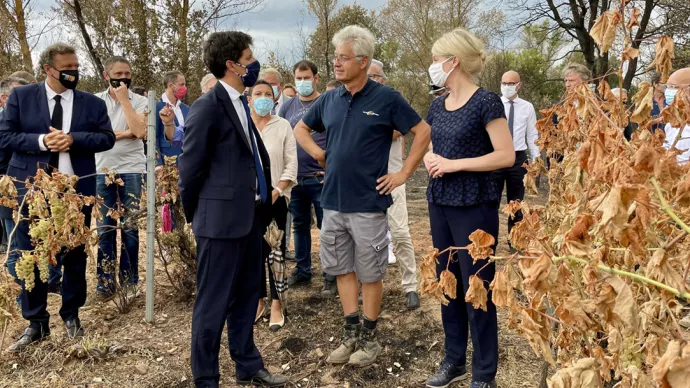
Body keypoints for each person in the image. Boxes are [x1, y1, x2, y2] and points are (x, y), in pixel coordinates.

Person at [293, 25, 431, 367]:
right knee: (342, 270)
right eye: (335, 57)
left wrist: (403, 174)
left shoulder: (387, 98)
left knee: (370, 273)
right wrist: (319, 154)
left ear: (363, 61)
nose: (337, 64)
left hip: (369, 205)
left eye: (343, 58)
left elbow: (423, 130)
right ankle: (350, 332)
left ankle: (370, 338)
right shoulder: (329, 99)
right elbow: (301, 128)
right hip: (333, 202)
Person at [178, 31, 288, 387]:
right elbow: (190, 167)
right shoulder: (208, 106)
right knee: (212, 305)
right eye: (249, 59)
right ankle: (206, 378)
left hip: (251, 218)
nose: (254, 65)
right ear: (232, 65)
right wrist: (195, 215)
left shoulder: (242, 102)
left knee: (246, 297)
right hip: (219, 223)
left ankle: (248, 364)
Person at [0, 43, 116, 352]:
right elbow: (5, 136)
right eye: (67, 69)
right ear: (48, 70)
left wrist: (73, 140)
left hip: (74, 193)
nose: (73, 73)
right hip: (31, 190)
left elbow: (107, 137)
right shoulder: (22, 98)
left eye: (76, 68)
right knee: (31, 255)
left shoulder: (91, 103)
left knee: (74, 255)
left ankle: (71, 315)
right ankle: (36, 323)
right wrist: (41, 141)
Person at [423, 28, 514, 388]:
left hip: (474, 206)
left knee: (478, 288)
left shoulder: (486, 103)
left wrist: (454, 164)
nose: (433, 66)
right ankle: (454, 360)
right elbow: (432, 147)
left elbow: (505, 155)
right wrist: (432, 158)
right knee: (447, 283)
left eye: (435, 60)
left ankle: (484, 373)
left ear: (453, 61)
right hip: (439, 202)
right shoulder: (436, 104)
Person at [280, 60, 337, 296]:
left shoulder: (328, 102)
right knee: (300, 226)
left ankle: (331, 275)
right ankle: (303, 270)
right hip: (296, 179)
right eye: (298, 78)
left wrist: (330, 166)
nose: (302, 82)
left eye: (306, 78)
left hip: (321, 178)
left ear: (316, 78)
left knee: (328, 228)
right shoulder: (287, 107)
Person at [367, 59, 420, 310]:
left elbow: (403, 129)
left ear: (383, 79)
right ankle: (368, 287)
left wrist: (370, 130)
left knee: (399, 233)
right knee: (366, 239)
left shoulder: (391, 100)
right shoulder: (352, 102)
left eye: (375, 76)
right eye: (368, 76)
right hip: (364, 182)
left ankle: (411, 286)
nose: (371, 80)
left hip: (392, 178)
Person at [94, 56, 148, 298]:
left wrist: (125, 100)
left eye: (127, 73)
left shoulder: (141, 101)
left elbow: (140, 131)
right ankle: (105, 283)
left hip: (132, 168)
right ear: (107, 75)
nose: (123, 77)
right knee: (105, 228)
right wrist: (125, 133)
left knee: (130, 227)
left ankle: (129, 281)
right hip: (101, 168)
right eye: (118, 73)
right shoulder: (94, 102)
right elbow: (94, 135)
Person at [249, 79, 297, 331]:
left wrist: (277, 190)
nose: (263, 97)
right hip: (247, 201)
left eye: (268, 94)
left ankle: (277, 303)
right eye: (258, 93)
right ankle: (259, 300)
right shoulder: (242, 125)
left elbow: (291, 163)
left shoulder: (283, 126)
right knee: (254, 252)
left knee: (275, 252)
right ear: (249, 98)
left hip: (277, 198)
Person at [497, 70, 539, 249]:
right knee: (491, 199)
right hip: (496, 156)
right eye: (504, 83)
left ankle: (514, 241)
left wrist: (536, 159)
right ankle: (487, 239)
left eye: (511, 83)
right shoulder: (495, 103)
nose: (507, 87)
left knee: (516, 203)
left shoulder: (527, 107)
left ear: (519, 85)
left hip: (518, 157)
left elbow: (532, 135)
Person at [0, 77, 29, 270]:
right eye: (21, 97)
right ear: (4, 98)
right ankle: (19, 296)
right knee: (15, 245)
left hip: (33, 189)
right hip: (8, 189)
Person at [155, 70, 189, 165]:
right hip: (167, 163)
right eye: (181, 84)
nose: (185, 88)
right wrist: (158, 164)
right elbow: (154, 138)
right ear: (171, 86)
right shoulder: (156, 107)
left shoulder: (187, 109)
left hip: (187, 163)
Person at [662, 67, 690, 164]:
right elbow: (667, 147)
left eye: (673, 87)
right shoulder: (671, 123)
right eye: (667, 87)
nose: (668, 91)